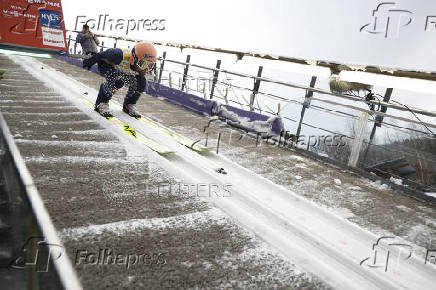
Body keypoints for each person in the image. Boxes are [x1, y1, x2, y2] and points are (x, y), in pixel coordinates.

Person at [82, 42, 157, 118]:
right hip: (107, 64)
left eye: (150, 65)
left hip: (123, 69)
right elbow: (101, 55)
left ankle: (128, 105)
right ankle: (101, 103)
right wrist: (89, 62)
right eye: (143, 64)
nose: (146, 68)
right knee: (118, 81)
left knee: (141, 82)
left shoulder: (142, 67)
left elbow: (143, 70)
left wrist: (144, 68)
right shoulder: (118, 54)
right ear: (133, 58)